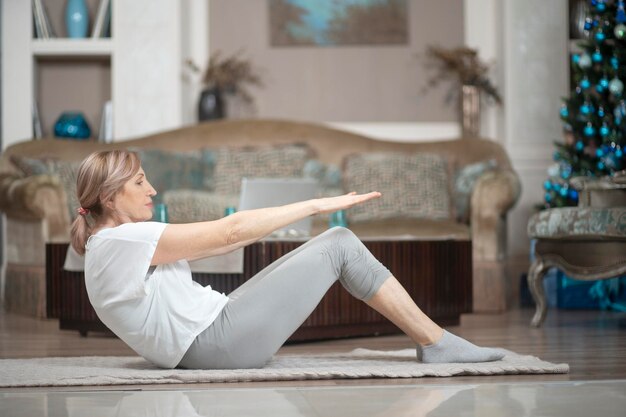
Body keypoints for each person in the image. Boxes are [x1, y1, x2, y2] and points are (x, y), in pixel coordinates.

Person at [70, 150, 504, 370]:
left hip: (211, 331)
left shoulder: (113, 243)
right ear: (110, 196)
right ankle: (436, 343)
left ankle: (435, 342)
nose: (153, 190)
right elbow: (231, 231)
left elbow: (222, 245)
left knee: (335, 241)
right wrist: (315, 205)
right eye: (141, 182)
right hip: (212, 345)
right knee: (339, 241)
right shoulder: (120, 242)